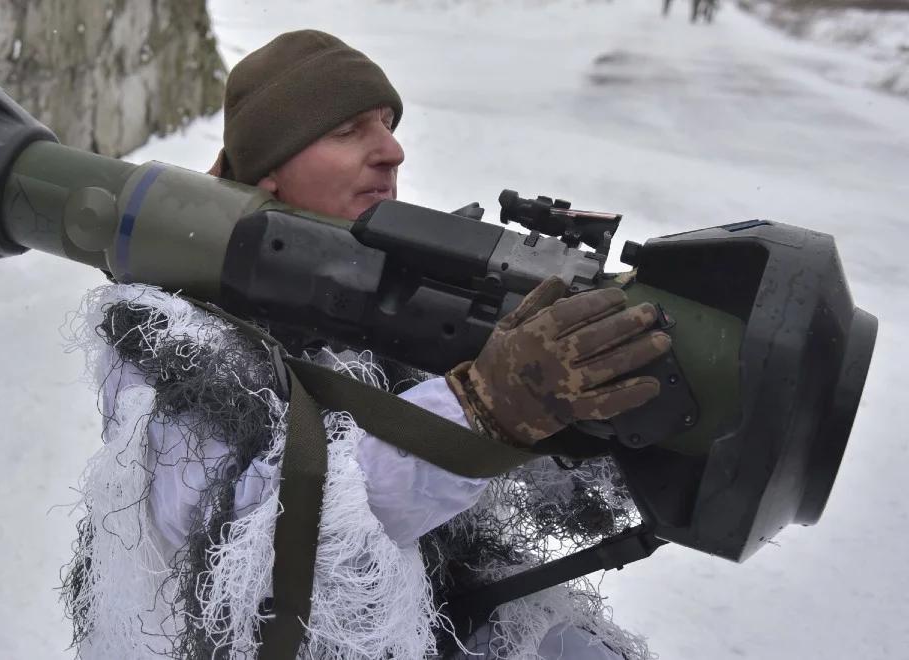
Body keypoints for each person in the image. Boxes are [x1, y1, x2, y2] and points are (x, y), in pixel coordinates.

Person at [62, 30, 669, 660]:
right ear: (270, 167)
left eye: (387, 123)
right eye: (349, 130)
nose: (393, 151)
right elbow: (259, 546)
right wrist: (482, 408)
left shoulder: (385, 287)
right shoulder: (180, 346)